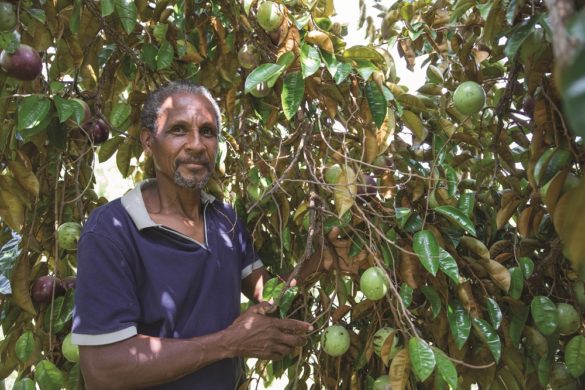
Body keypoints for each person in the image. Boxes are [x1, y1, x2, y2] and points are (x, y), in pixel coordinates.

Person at [71, 81, 327, 389]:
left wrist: (322, 260)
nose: (196, 144)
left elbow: (269, 297)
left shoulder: (225, 221)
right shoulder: (112, 231)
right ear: (149, 141)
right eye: (179, 130)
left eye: (207, 132)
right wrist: (228, 343)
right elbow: (103, 370)